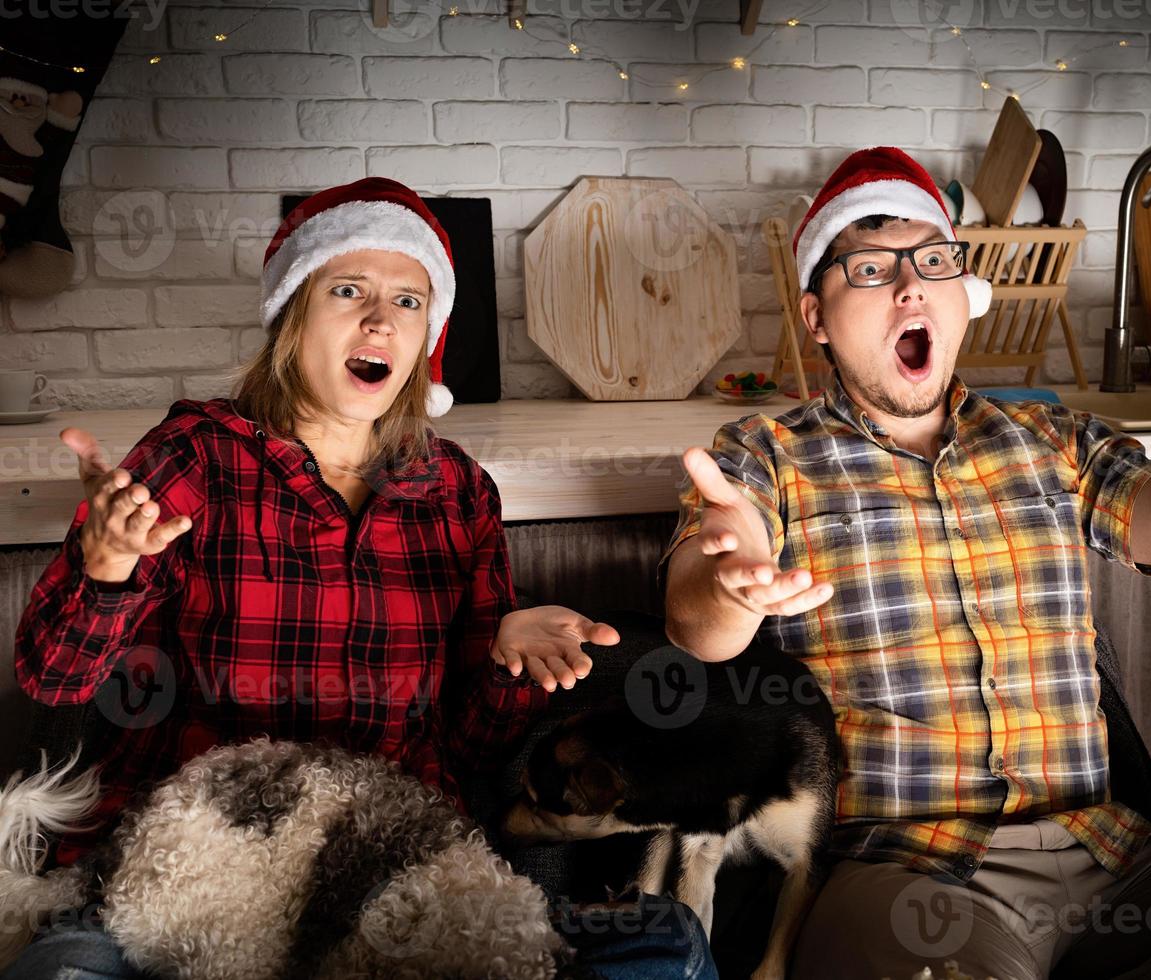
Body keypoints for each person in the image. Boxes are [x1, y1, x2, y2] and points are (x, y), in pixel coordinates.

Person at [661, 146, 1151, 980]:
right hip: (910, 873)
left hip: (1115, 858)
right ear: (815, 315)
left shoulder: (1055, 443)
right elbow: (700, 627)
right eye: (868, 268)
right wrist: (732, 585)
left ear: (959, 296)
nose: (909, 285)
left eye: (932, 259)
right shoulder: (765, 453)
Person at [8, 178, 712, 980]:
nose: (381, 319)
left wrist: (507, 655)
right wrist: (106, 566)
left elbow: (472, 748)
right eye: (348, 290)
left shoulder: (455, 491)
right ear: (292, 314)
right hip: (192, 864)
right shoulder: (192, 459)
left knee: (666, 945)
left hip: (385, 871)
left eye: (408, 302)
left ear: (426, 335)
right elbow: (54, 677)